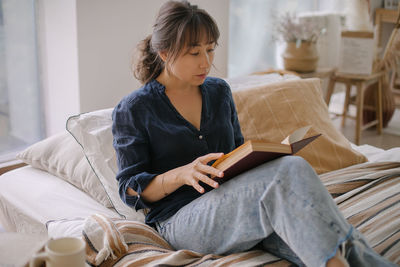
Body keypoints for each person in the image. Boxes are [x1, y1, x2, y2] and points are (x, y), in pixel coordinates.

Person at [111, 1, 396, 266]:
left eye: (211, 50)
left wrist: (258, 157)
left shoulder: (219, 92)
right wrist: (180, 174)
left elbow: (236, 152)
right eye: (195, 53)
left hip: (237, 201)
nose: (206, 62)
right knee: (290, 173)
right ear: (164, 53)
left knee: (313, 231)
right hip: (180, 219)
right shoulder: (134, 109)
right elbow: (129, 188)